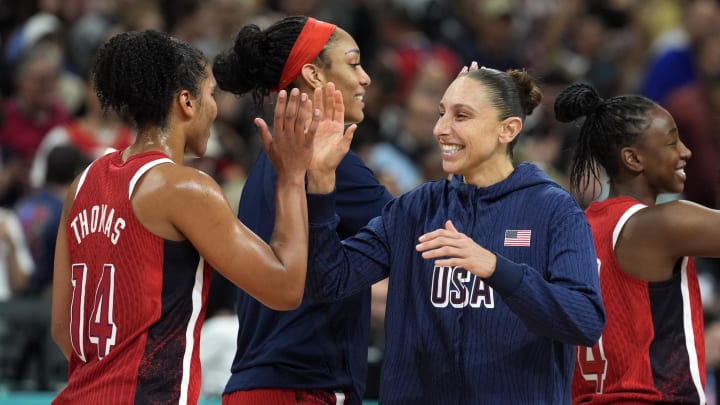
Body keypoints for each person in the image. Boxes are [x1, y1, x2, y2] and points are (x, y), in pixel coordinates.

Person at [50, 29, 351, 404]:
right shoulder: (184, 188)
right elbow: (286, 288)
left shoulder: (84, 182)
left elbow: (63, 329)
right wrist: (291, 177)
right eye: (211, 94)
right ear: (186, 102)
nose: (215, 108)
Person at [303, 66, 606, 404]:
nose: (440, 129)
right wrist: (320, 183)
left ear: (508, 129)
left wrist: (495, 268)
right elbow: (328, 280)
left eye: (461, 116)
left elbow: (584, 320)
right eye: (441, 113)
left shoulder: (553, 210)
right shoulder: (414, 210)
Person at [212, 15, 393, 404]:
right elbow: (420, 234)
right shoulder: (329, 163)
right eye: (353, 62)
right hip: (300, 386)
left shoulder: (267, 159)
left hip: (254, 385)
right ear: (312, 73)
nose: (365, 78)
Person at [555, 82, 714, 403]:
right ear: (633, 158)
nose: (685, 151)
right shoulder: (659, 225)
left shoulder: (581, 227)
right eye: (671, 142)